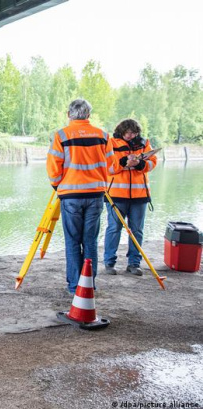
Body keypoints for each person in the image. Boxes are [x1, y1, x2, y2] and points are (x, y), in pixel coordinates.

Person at [47, 99, 116, 294]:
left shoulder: (61, 135)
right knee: (90, 241)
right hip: (95, 195)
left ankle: (74, 286)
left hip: (71, 195)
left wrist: (57, 186)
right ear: (88, 115)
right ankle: (88, 285)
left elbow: (53, 168)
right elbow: (112, 167)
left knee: (72, 241)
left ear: (69, 114)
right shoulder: (103, 136)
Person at [104, 119, 157, 276]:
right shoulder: (110, 143)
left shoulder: (144, 143)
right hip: (116, 196)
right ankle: (109, 263)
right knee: (114, 229)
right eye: (128, 132)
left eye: (134, 133)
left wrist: (140, 165)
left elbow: (153, 162)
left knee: (137, 230)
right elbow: (107, 167)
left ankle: (134, 263)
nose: (131, 135)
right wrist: (124, 163)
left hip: (139, 196)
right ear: (121, 130)